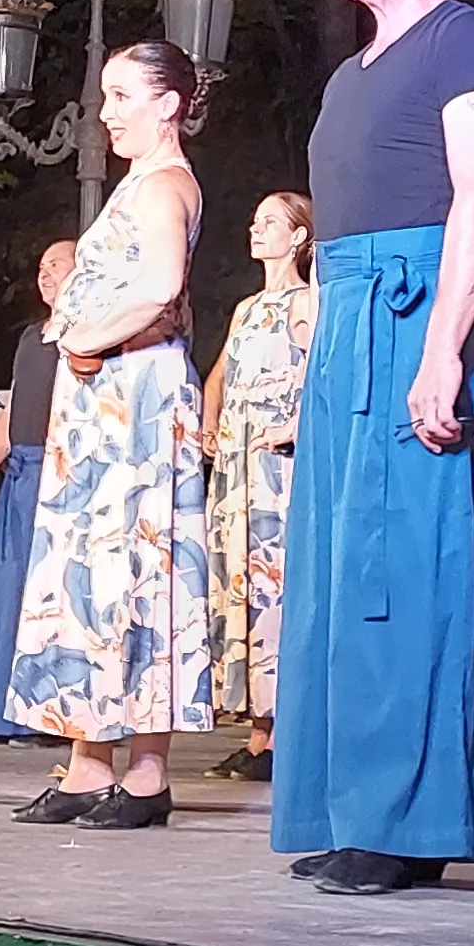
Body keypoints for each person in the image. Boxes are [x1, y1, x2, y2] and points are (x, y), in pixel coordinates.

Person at [271, 0, 474, 897]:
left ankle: (408, 823)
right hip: (345, 323)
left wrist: (436, 359)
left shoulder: (467, 38)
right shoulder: (347, 75)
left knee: (398, 570)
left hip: (412, 313)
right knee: (335, 574)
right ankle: (351, 807)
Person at [7, 43, 216, 828]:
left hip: (135, 397)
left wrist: (92, 339)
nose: (107, 112)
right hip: (104, 410)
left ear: (169, 103)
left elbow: (163, 287)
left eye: (123, 95)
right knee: (91, 577)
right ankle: (88, 762)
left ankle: (147, 772)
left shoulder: (165, 185)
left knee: (138, 570)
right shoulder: (136, 185)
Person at [201, 193, 318, 783]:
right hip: (239, 464)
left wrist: (296, 423)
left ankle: (284, 732)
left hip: (278, 468)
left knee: (276, 585)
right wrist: (210, 420)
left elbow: (325, 370)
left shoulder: (306, 302)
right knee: (240, 584)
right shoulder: (248, 308)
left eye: (270, 221)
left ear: (299, 238)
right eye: (254, 220)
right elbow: (220, 371)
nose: (256, 228)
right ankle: (257, 732)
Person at [0, 240, 82, 747]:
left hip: (63, 471)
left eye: (57, 264)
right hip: (23, 469)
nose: (46, 273)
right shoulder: (33, 338)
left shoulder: (87, 337)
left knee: (51, 597)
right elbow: (12, 413)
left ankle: (45, 714)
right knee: (9, 591)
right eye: (41, 266)